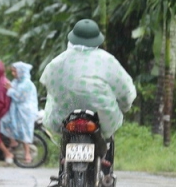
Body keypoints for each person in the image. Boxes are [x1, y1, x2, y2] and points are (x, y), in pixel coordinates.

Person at [41, 19, 135, 169]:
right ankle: (105, 164)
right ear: (96, 40)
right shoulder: (108, 61)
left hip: (67, 114)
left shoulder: (58, 62)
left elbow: (49, 86)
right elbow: (125, 90)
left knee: (62, 131)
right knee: (109, 136)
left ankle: (65, 160)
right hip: (101, 114)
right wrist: (125, 106)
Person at [0, 62, 38, 164]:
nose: (13, 73)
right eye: (12, 71)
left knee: (24, 130)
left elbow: (19, 97)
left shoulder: (27, 84)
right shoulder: (17, 82)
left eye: (14, 71)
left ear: (21, 71)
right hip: (16, 109)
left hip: (25, 110)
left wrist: (10, 89)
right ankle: (13, 142)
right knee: (4, 121)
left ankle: (27, 154)